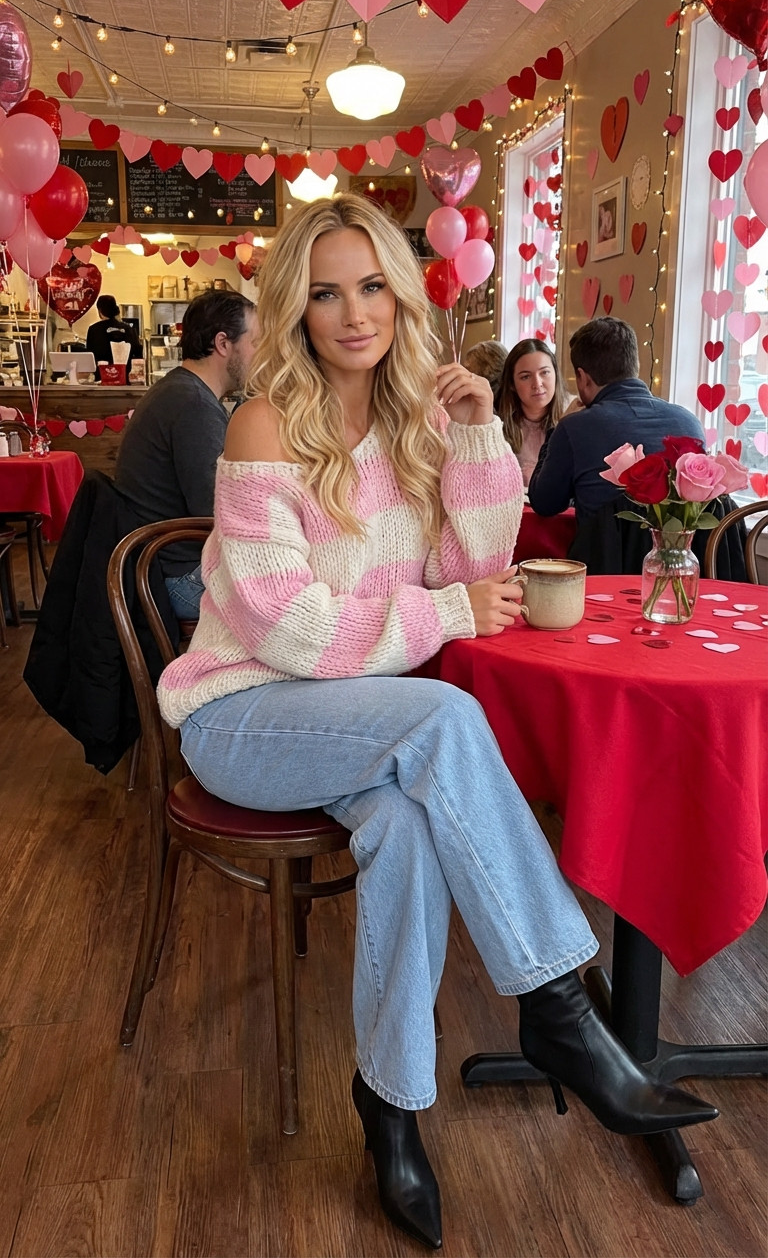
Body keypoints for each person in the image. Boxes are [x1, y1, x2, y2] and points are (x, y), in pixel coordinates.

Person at [156, 197, 715, 1250]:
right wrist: (446, 614)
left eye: (371, 285)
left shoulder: (421, 423)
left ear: (404, 297)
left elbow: (475, 572)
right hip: (245, 713)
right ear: (298, 307)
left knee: (409, 830)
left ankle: (392, 1103)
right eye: (326, 291)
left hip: (355, 713)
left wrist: (475, 437)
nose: (353, 312)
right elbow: (287, 627)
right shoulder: (265, 421)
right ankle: (564, 1013)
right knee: (448, 720)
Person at [115, 289, 259, 618]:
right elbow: (217, 513)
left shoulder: (178, 390)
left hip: (157, 568)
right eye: (256, 343)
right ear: (224, 344)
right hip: (176, 579)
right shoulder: (193, 405)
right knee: (285, 606)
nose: (260, 356)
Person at [528, 317, 705, 524]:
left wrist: (555, 430)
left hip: (597, 556)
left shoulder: (574, 428)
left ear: (582, 377)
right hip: (678, 555)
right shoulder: (690, 422)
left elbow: (544, 503)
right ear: (635, 365)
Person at [497, 339, 569, 487]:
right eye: (525, 376)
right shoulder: (497, 424)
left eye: (545, 373)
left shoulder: (574, 414)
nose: (537, 384)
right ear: (511, 384)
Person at [86, 295, 142, 380]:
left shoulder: (94, 329)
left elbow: (89, 356)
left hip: (102, 377)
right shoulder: (128, 328)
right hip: (125, 378)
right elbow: (137, 352)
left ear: (100, 310)